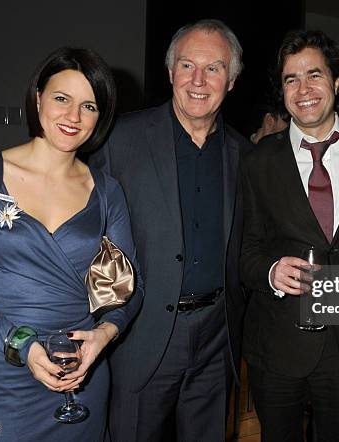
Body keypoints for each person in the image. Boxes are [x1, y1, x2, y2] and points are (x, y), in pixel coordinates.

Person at [0, 47, 143, 441]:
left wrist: (105, 334)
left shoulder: (107, 193)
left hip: (79, 378)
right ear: (38, 99)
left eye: (89, 106)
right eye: (61, 99)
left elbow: (127, 290)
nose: (74, 117)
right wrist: (24, 345)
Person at [90, 19, 251, 441]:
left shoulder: (245, 155)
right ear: (170, 73)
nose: (198, 80)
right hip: (140, 336)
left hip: (218, 338)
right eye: (186, 66)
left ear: (231, 80)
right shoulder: (119, 140)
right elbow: (89, 237)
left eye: (214, 68)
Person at [239, 29, 339, 441]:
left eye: (314, 75)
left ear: (337, 81)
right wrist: (270, 272)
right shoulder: (256, 162)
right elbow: (244, 250)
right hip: (277, 346)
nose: (303, 89)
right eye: (291, 79)